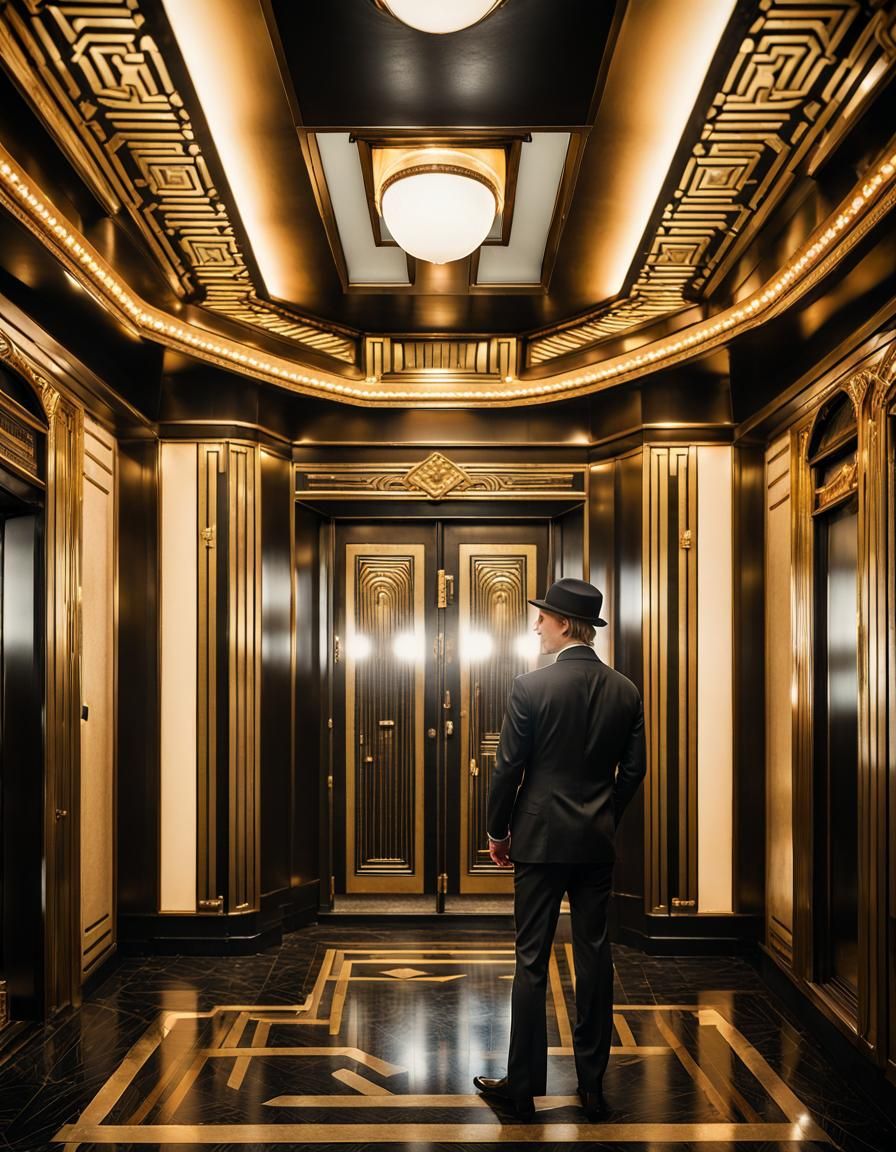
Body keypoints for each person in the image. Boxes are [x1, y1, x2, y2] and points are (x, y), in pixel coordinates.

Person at [473, 577, 646, 1123]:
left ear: (565, 625)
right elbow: (634, 771)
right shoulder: (626, 690)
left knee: (531, 962)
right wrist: (604, 819)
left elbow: (508, 771)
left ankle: (520, 1090)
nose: (535, 626)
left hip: (540, 841)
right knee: (595, 959)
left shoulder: (530, 688)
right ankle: (592, 1088)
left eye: (542, 618)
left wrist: (499, 833)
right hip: (595, 844)